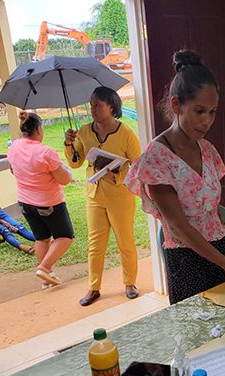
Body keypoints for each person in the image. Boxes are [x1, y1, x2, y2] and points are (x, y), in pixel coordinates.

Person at [126, 50, 225, 304]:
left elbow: (211, 209)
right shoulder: (157, 159)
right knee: (197, 335)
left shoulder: (206, 149)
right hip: (187, 260)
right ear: (175, 105)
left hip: (222, 248)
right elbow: (179, 227)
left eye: (212, 112)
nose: (207, 121)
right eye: (199, 111)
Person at [64, 86, 142, 306]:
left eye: (98, 105)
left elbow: (137, 166)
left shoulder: (126, 133)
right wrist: (70, 144)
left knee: (125, 241)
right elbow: (76, 162)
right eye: (91, 105)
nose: (93, 109)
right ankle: (94, 287)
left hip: (120, 196)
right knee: (95, 244)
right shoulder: (85, 132)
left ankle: (130, 283)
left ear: (111, 106)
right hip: (94, 195)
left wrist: (116, 173)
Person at [7, 113, 74, 287]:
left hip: (25, 203)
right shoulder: (45, 152)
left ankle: (47, 277)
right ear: (38, 129)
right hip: (49, 202)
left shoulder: (14, 146)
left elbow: (13, 170)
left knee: (42, 238)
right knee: (65, 236)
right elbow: (64, 179)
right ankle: (44, 267)